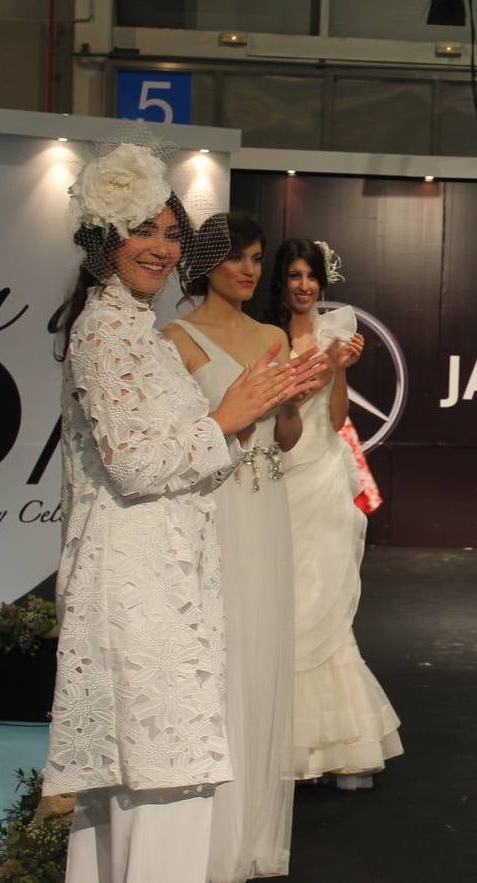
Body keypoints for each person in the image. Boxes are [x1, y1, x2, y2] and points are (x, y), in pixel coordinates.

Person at [44, 141, 324, 883]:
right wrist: (229, 416)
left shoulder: (134, 329)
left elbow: (191, 453)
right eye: (142, 230)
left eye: (171, 234)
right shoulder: (105, 330)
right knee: (162, 782)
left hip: (166, 571)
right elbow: (136, 465)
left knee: (147, 785)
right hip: (138, 580)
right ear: (104, 238)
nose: (162, 248)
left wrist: (254, 413)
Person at [164, 211, 322, 882]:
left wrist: (290, 406)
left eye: (257, 258)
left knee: (258, 652)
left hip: (263, 502)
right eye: (237, 257)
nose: (250, 270)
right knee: (217, 655)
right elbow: (182, 440)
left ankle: (249, 827)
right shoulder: (175, 339)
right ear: (205, 264)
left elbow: (286, 439)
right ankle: (205, 831)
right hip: (213, 506)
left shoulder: (272, 336)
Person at [266, 237, 403, 786]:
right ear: (281, 281)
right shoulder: (264, 336)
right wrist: (318, 369)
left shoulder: (335, 332)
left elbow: (339, 417)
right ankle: (279, 742)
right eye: (294, 275)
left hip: (322, 474)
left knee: (322, 600)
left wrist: (338, 369)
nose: (304, 286)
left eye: (311, 276)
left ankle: (336, 745)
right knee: (282, 599)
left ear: (322, 282)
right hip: (277, 473)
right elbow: (275, 410)